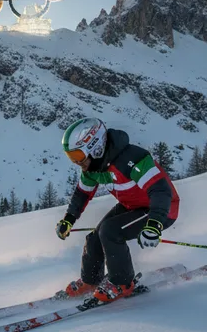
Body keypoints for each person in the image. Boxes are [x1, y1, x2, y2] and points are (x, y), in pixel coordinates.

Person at [55, 118, 180, 302]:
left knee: (110, 231)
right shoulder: (93, 167)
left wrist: (154, 224)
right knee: (95, 236)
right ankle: (91, 281)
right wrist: (69, 219)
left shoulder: (132, 159)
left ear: (95, 147)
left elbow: (160, 191)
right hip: (133, 206)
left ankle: (122, 283)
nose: (76, 162)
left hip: (161, 209)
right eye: (71, 157)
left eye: (78, 156)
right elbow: (82, 193)